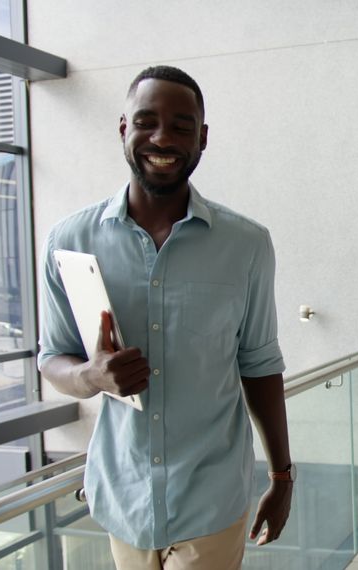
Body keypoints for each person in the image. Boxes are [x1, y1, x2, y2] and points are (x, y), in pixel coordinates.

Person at [38, 65, 294, 569]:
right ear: (123, 130)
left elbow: (260, 364)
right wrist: (89, 376)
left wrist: (282, 477)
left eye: (181, 126)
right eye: (146, 121)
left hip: (211, 496)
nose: (162, 138)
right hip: (121, 494)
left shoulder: (246, 244)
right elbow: (52, 357)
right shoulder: (69, 241)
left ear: (202, 138)